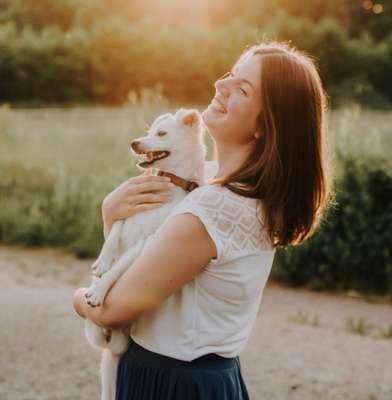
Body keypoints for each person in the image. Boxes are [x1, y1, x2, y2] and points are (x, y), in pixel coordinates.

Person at [72, 41, 333, 399]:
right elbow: (146, 270)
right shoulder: (228, 189)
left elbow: (113, 309)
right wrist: (112, 220)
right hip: (210, 379)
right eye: (230, 75)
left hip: (172, 384)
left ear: (265, 126)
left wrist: (76, 298)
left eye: (242, 88)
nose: (219, 86)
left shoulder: (213, 208)